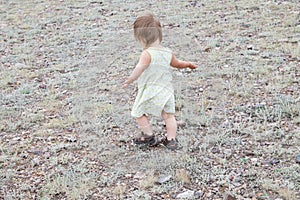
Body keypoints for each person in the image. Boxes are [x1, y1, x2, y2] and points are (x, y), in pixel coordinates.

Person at [122, 12, 197, 150]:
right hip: (167, 90)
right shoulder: (167, 52)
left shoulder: (147, 53)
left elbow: (140, 68)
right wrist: (188, 64)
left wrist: (131, 79)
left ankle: (149, 135)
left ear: (141, 38)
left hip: (151, 89)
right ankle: (171, 140)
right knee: (169, 115)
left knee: (138, 112)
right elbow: (177, 63)